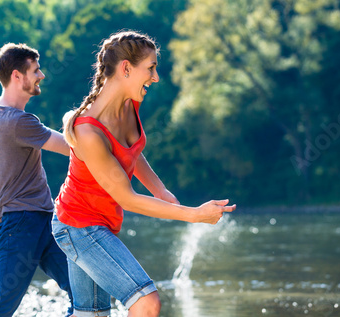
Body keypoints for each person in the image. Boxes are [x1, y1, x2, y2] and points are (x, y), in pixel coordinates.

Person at [52, 30, 236, 317]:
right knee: (146, 302)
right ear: (126, 68)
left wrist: (160, 190)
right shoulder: (88, 131)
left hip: (99, 223)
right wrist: (194, 214)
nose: (156, 77)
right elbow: (128, 199)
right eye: (150, 68)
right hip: (77, 226)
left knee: (92, 316)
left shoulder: (129, 103)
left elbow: (130, 152)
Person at [0, 43, 74, 317]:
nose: (42, 75)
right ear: (16, 76)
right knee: (1, 308)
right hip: (21, 224)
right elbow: (73, 147)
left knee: (84, 294)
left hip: (43, 219)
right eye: (35, 70)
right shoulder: (18, 121)